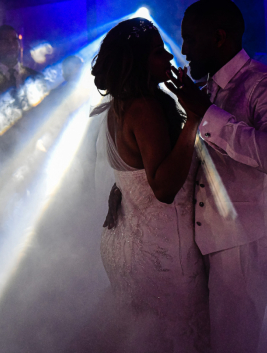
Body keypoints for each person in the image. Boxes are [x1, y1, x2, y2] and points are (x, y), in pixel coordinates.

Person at [168, 0, 267, 353]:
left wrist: (207, 114)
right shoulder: (207, 89)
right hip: (211, 242)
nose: (183, 49)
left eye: (190, 38)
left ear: (219, 37)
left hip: (246, 243)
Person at [90, 18, 210, 352]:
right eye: (159, 52)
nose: (171, 58)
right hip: (160, 251)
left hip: (128, 240)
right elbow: (163, 188)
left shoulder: (122, 105)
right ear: (138, 60)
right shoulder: (143, 108)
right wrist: (195, 119)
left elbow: (132, 174)